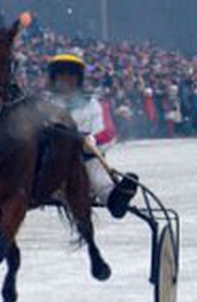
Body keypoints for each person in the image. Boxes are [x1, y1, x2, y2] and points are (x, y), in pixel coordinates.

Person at [45, 53, 137, 218]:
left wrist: (92, 140)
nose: (66, 80)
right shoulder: (44, 104)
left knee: (95, 171)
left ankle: (114, 199)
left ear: (78, 79)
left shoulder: (92, 104)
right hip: (52, 158)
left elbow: (108, 133)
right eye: (61, 76)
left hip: (84, 156)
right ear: (54, 78)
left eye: (70, 76)